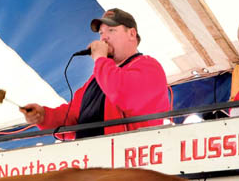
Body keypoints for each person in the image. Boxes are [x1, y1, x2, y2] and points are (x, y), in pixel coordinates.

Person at [22, 8, 169, 138]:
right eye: (101, 33)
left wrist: (100, 58)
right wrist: (44, 116)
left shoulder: (149, 67)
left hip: (129, 163)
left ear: (131, 33)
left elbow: (122, 92)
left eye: (111, 30)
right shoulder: (98, 77)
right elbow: (72, 114)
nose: (103, 38)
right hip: (93, 162)